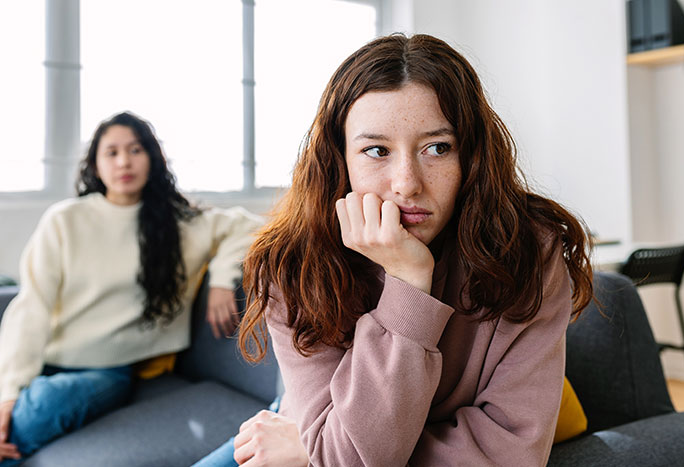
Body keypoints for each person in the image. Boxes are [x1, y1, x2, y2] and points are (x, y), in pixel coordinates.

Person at [199, 32, 594, 466]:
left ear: (471, 155)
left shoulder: (530, 250)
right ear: (340, 160)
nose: (407, 183)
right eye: (376, 151)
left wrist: (312, 452)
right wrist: (324, 448)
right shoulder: (293, 262)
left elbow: (510, 456)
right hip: (306, 423)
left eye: (437, 148)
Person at [0, 111, 261, 464]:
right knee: (15, 411)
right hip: (46, 360)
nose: (124, 161)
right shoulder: (65, 220)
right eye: (112, 152)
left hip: (107, 370)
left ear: (153, 158)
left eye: (136, 150)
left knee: (35, 415)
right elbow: (31, 308)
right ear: (95, 164)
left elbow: (248, 226)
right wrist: (9, 392)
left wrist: (220, 279)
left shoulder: (182, 223)